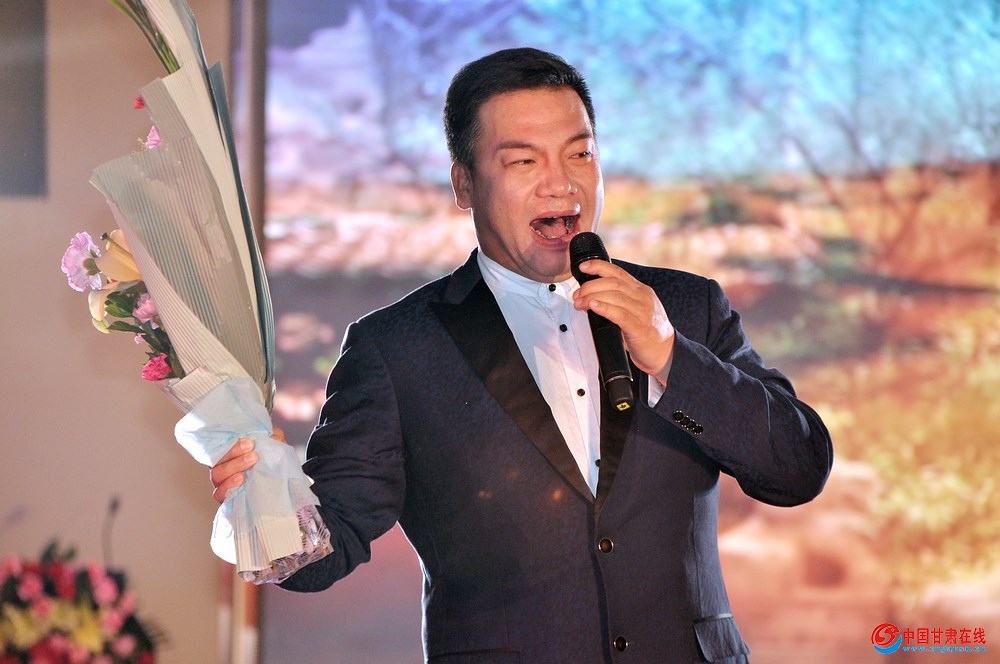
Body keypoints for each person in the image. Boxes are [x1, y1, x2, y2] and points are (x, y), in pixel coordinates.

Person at [211, 47, 833, 663]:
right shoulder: (398, 348)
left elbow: (799, 468)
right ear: (463, 182)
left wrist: (672, 357)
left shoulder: (686, 307)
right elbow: (325, 549)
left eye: (580, 153)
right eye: (524, 160)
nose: (561, 183)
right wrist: (262, 496)